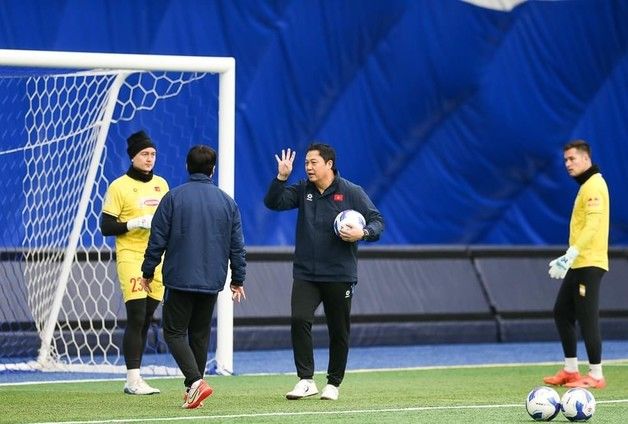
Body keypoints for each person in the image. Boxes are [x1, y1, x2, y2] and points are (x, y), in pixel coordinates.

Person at [264, 143, 384, 401]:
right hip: (306, 273)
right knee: (299, 320)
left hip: (340, 274)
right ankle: (306, 380)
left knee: (338, 330)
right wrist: (281, 177)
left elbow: (377, 221)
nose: (308, 167)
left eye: (313, 162)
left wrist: (361, 233)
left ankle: (333, 383)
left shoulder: (351, 191)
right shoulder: (301, 189)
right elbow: (273, 202)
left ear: (329, 164)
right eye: (306, 163)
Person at [140, 145, 246, 409]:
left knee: (174, 332)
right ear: (213, 169)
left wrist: (147, 270)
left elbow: (157, 239)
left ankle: (196, 382)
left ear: (187, 167)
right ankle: (193, 391)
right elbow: (237, 246)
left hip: (179, 279)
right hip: (212, 281)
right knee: (199, 334)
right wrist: (238, 279)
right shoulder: (227, 202)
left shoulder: (173, 197)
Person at [101, 130, 169, 395]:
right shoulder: (118, 186)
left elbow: (169, 217)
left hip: (158, 257)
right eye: (144, 154)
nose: (149, 158)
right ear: (133, 157)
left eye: (153, 154)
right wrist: (133, 223)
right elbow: (106, 226)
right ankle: (132, 378)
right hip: (131, 256)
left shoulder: (161, 185)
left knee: (148, 316)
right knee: (137, 315)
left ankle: (136, 378)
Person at [544, 139, 609, 389]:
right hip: (579, 261)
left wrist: (571, 253)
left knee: (587, 317)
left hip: (589, 262)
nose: (567, 164)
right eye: (565, 161)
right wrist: (573, 257)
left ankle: (596, 375)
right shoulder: (586, 186)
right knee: (562, 312)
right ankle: (571, 370)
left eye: (572, 159)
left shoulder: (594, 185)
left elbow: (593, 225)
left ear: (585, 158)